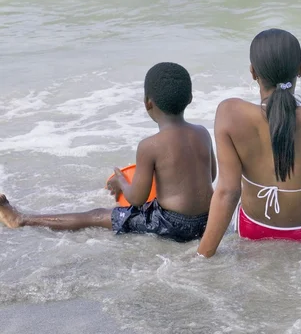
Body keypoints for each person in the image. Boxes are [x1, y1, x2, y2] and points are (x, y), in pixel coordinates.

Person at [0, 62, 216, 243]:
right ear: (190, 99)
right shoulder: (202, 133)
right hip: (209, 219)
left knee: (96, 215)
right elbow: (211, 176)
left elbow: (137, 199)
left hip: (173, 224)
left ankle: (20, 220)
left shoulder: (150, 145)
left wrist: (121, 180)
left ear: (147, 103)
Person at [197, 28, 301, 266]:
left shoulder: (229, 113)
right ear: (300, 70)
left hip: (252, 229)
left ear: (253, 72)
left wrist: (202, 255)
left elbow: (228, 193)